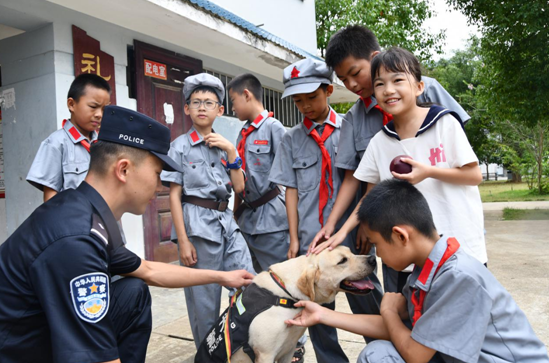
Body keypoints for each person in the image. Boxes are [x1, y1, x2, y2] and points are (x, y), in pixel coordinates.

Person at [0, 105, 254, 363]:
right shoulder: (76, 241)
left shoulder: (85, 211)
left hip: (41, 331)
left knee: (133, 293)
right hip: (18, 352)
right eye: (156, 174)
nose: (159, 186)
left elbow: (148, 271)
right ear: (123, 170)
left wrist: (223, 276)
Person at [286, 179, 549, 363]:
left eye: (376, 244)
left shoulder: (458, 278)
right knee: (378, 353)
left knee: (381, 357)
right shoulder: (428, 271)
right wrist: (322, 315)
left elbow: (414, 354)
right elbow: (403, 330)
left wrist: (388, 310)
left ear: (400, 236)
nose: (377, 255)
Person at [310, 25, 471, 294]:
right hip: (391, 230)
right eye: (343, 79)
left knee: (452, 295)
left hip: (443, 221)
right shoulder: (355, 118)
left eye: (355, 74)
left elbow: (462, 156)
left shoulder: (426, 88)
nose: (351, 85)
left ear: (374, 57)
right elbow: (356, 177)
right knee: (403, 299)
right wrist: (339, 224)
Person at [269, 58, 372, 363]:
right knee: (315, 307)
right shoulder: (290, 139)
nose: (305, 106)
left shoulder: (350, 128)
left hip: (351, 236)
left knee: (367, 296)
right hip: (312, 238)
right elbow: (290, 190)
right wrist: (293, 238)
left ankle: (384, 352)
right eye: (298, 101)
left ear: (328, 90)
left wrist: (365, 224)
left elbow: (364, 179)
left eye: (311, 97)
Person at [161, 73, 256, 349]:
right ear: (186, 108)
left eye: (209, 102)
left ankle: (240, 346)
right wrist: (183, 241)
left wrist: (230, 150)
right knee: (204, 302)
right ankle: (207, 355)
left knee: (248, 284)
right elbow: (174, 196)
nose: (202, 107)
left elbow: (239, 188)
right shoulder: (178, 147)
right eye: (196, 102)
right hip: (198, 226)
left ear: (220, 110)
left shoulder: (225, 145)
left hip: (227, 222)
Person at [227, 73, 289, 273]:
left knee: (280, 279)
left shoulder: (274, 128)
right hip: (247, 219)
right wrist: (236, 213)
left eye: (233, 101)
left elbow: (290, 177)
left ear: (247, 95)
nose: (233, 108)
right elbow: (239, 177)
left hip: (272, 222)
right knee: (255, 283)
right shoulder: (242, 133)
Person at [26, 73, 111, 202]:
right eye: (93, 107)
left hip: (101, 219)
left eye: (104, 109)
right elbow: (51, 198)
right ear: (71, 104)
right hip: (72, 220)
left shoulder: (103, 145)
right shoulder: (56, 143)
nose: (99, 114)